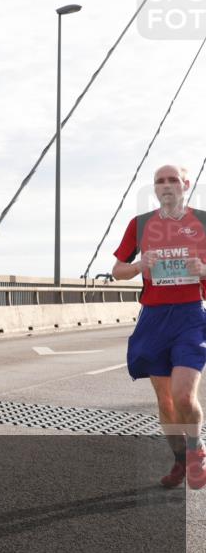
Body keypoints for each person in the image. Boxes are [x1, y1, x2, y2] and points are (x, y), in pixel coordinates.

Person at [111, 164, 206, 490]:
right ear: (155, 188)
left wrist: (203, 269)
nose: (166, 185)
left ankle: (196, 453)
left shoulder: (203, 221)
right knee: (165, 400)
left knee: (183, 394)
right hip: (153, 318)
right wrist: (139, 265)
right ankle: (180, 461)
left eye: (172, 180)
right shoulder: (140, 225)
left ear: (185, 184)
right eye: (159, 181)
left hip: (190, 316)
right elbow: (117, 270)